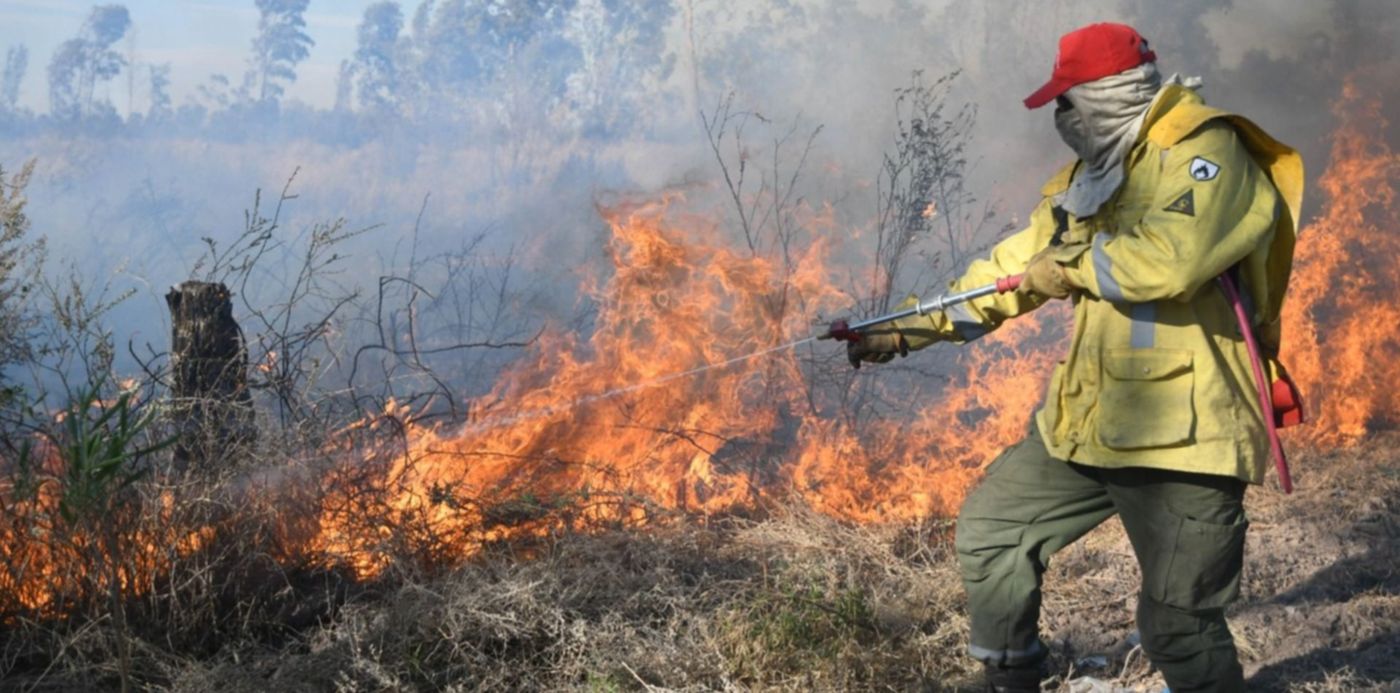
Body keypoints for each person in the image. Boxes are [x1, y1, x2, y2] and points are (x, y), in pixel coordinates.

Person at [846, 22, 1303, 693]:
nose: (1060, 118)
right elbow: (1006, 273)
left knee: (1178, 625)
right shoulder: (1089, 179)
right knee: (994, 528)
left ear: (1109, 93)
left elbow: (1169, 261)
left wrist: (1066, 265)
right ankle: (1009, 674)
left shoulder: (1208, 150)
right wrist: (903, 328)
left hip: (1187, 434)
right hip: (1092, 421)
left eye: (1068, 101)